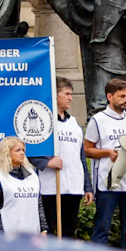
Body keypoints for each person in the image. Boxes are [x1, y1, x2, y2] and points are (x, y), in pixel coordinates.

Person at [84, 78, 126, 248]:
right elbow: (87, 150)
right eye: (121, 96)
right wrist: (107, 153)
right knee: (102, 226)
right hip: (107, 181)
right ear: (109, 96)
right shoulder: (97, 120)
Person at [33, 77, 87, 238]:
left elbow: (81, 157)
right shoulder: (43, 121)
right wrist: (46, 162)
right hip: (51, 187)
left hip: (73, 186)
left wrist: (87, 186)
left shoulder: (74, 124)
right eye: (67, 94)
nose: (71, 98)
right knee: (50, 230)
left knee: (69, 231)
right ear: (55, 96)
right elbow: (28, 151)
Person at [0, 137, 43, 237]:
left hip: (31, 235)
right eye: (18, 150)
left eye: (23, 150)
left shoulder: (32, 175)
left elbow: (38, 203)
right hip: (6, 235)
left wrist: (43, 228)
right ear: (7, 152)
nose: (22, 153)